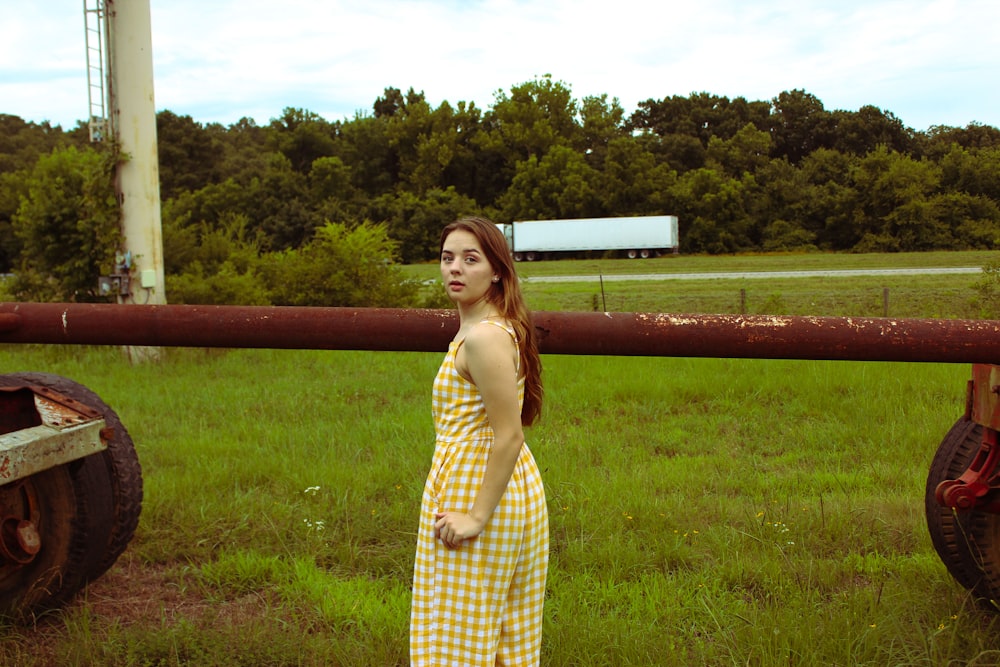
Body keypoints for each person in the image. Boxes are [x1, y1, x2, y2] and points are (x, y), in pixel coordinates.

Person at [410, 216, 548, 666]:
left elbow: (509, 434)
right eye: (448, 258)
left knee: (459, 639)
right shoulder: (487, 327)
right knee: (501, 633)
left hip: (483, 488)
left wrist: (476, 516)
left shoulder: (485, 337)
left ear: (497, 271)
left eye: (471, 259)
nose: (455, 269)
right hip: (494, 482)